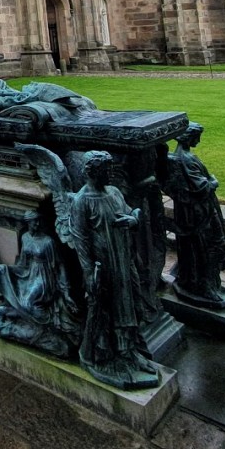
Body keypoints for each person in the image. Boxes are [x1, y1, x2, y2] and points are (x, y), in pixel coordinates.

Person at [70, 151, 159, 389]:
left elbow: (132, 212)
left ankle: (130, 352)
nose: (111, 174)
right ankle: (112, 356)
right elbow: (80, 239)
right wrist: (89, 273)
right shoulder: (81, 201)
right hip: (104, 264)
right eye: (106, 171)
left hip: (123, 258)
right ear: (92, 172)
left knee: (131, 302)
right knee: (112, 308)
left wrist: (134, 219)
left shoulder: (115, 192)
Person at [0, 211, 80, 358]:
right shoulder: (25, 237)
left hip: (44, 277)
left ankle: (49, 322)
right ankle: (30, 319)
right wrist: (8, 270)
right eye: (34, 221)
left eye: (38, 221)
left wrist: (66, 291)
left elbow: (60, 266)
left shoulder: (48, 242)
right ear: (28, 223)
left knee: (28, 302)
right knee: (2, 269)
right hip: (28, 272)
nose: (37, 224)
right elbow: (22, 263)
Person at [165, 123, 225, 308]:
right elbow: (200, 187)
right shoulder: (183, 160)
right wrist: (213, 181)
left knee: (200, 248)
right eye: (197, 136)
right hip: (198, 213)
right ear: (189, 137)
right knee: (210, 248)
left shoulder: (179, 157)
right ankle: (205, 287)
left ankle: (209, 284)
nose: (199, 140)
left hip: (199, 210)